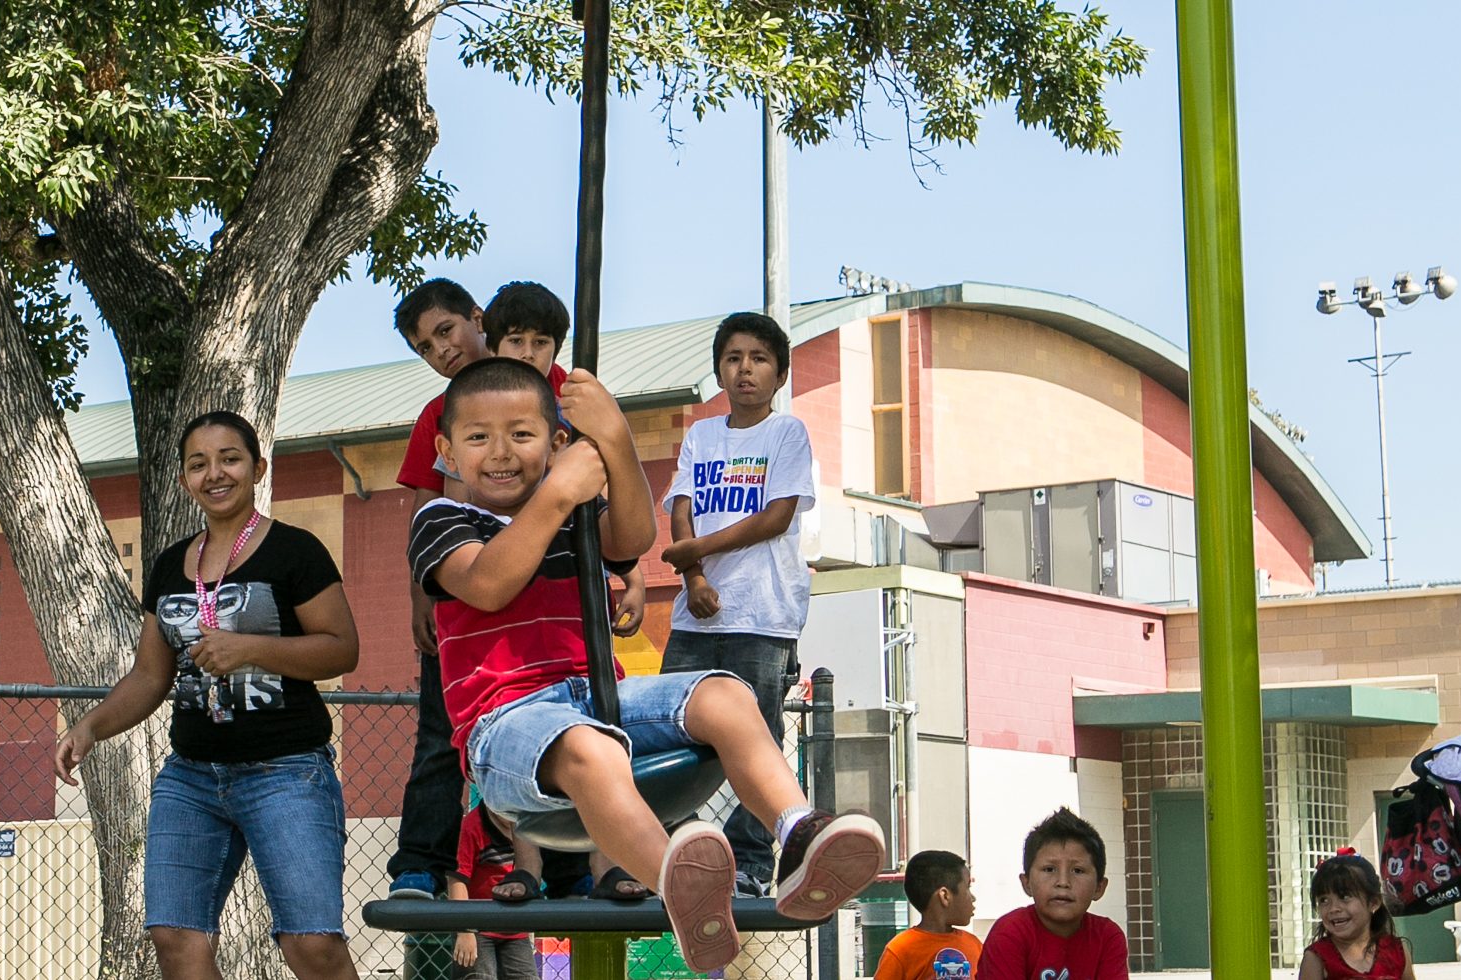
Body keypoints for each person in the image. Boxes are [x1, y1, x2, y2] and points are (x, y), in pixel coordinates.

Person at [409, 357, 885, 973]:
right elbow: (489, 584)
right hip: (504, 725)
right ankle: (678, 883)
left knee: (725, 694)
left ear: (556, 442)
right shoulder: (443, 519)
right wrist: (558, 491)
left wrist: (614, 439)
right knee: (590, 748)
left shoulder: (575, 511)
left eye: (522, 435)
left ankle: (795, 834)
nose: (501, 452)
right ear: (447, 449)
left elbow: (630, 537)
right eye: (478, 438)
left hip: (596, 697)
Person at [53, 410, 363, 980]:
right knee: (174, 936)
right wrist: (89, 726)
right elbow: (150, 676)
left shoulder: (295, 550)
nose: (214, 473)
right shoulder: (172, 563)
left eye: (229, 459)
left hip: (286, 771)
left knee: (311, 946)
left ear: (256, 467)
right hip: (192, 776)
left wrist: (249, 648)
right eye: (198, 464)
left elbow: (342, 649)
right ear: (183, 480)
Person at [658, 311, 816, 898]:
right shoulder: (702, 435)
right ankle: (679, 848)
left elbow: (776, 517)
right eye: (733, 358)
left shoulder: (786, 434)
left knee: (759, 739)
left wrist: (696, 548)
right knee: (671, 729)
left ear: (779, 372)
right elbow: (680, 505)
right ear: (719, 368)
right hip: (695, 615)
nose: (745, 369)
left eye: (759, 358)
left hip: (762, 616)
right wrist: (694, 575)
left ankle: (750, 858)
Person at [386, 278, 491, 900]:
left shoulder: (551, 387)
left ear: (477, 317)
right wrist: (419, 595)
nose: (442, 350)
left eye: (446, 330)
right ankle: (421, 863)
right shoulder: (436, 415)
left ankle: (571, 864)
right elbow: (426, 505)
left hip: (543, 589)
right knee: (439, 736)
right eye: (426, 347)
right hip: (458, 597)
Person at [483, 280, 647, 641]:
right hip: (507, 588)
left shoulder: (574, 413)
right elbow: (463, 502)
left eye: (540, 343)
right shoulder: (469, 414)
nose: (528, 353)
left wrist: (633, 577)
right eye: (516, 340)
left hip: (574, 587)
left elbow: (599, 505)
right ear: (492, 346)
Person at [979, 808, 1128, 980]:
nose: (1063, 882)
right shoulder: (1010, 933)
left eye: (1078, 871)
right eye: (1049, 869)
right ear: (1026, 882)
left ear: (1099, 887)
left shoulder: (1107, 937)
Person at [444, 795, 539, 980]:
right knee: (480, 975)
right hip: (478, 927)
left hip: (515, 928)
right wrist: (465, 932)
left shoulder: (527, 828)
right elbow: (457, 880)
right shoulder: (471, 826)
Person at [1298, 850, 1415, 980]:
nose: (1333, 908)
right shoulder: (1316, 958)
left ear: (1374, 903)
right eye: (1324, 900)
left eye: (1344, 897)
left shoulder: (1396, 951)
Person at [874, 849, 981, 980]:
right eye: (968, 887)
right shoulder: (900, 949)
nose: (973, 897)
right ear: (945, 896)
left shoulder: (975, 945)